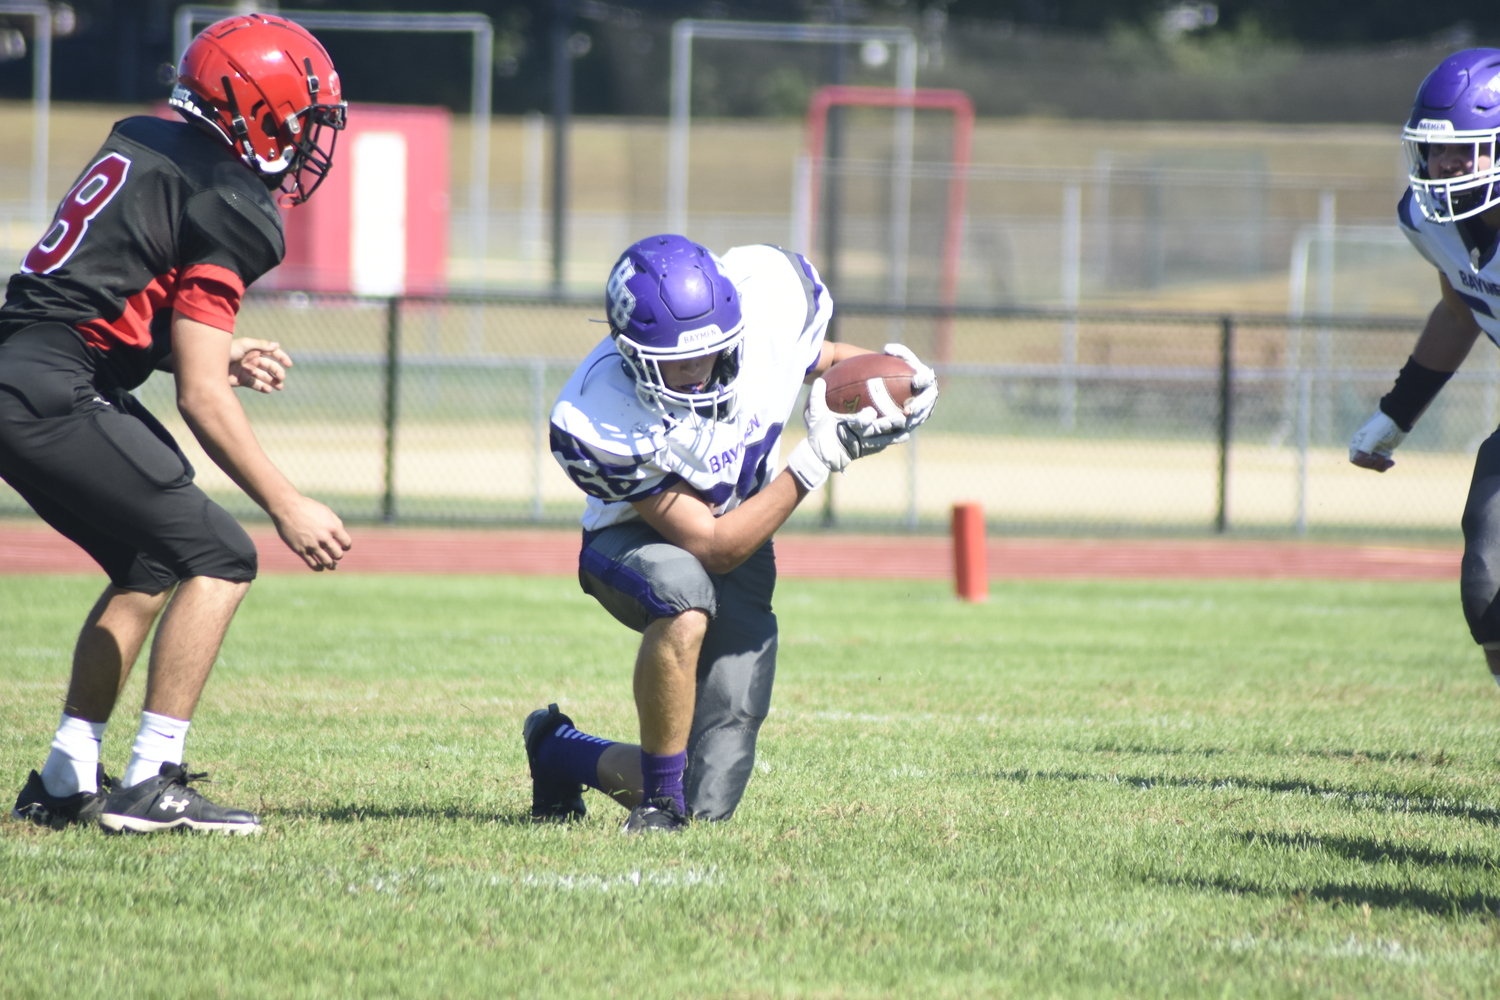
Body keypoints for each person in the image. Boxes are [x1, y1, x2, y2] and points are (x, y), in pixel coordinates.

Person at [3, 13, 351, 835]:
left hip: (27, 370)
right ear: (255, 112)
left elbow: (97, 301)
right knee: (222, 554)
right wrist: (286, 502)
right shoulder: (229, 197)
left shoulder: (143, 143)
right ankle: (152, 779)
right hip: (58, 388)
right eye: (300, 122)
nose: (307, 143)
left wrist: (209, 353)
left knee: (151, 560)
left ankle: (64, 777)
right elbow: (201, 399)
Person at [528, 234, 938, 832]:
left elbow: (820, 359)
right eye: (673, 359)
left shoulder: (766, 305)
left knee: (707, 800)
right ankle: (657, 805)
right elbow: (711, 549)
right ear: (628, 351)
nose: (695, 372)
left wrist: (896, 383)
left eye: (710, 352)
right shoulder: (601, 412)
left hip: (741, 518)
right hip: (634, 540)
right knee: (684, 596)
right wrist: (813, 463)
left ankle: (557, 749)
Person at [1352, 47, 1500, 689]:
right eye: (1435, 150)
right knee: (1488, 589)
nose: (1443, 167)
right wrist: (1396, 414)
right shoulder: (1429, 221)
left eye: (1463, 151)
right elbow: (1459, 308)